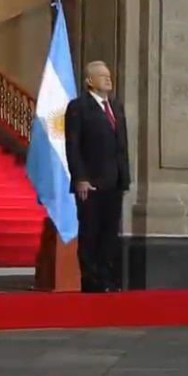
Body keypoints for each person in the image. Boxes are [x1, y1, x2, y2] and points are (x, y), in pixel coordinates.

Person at [64, 60, 130, 293]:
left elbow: (121, 145)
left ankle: (107, 279)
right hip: (90, 182)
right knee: (91, 231)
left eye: (109, 74)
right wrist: (80, 177)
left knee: (109, 233)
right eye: (102, 75)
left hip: (115, 181)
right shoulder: (78, 107)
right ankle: (91, 281)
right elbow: (73, 145)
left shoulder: (116, 107)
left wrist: (124, 177)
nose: (108, 79)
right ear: (89, 81)